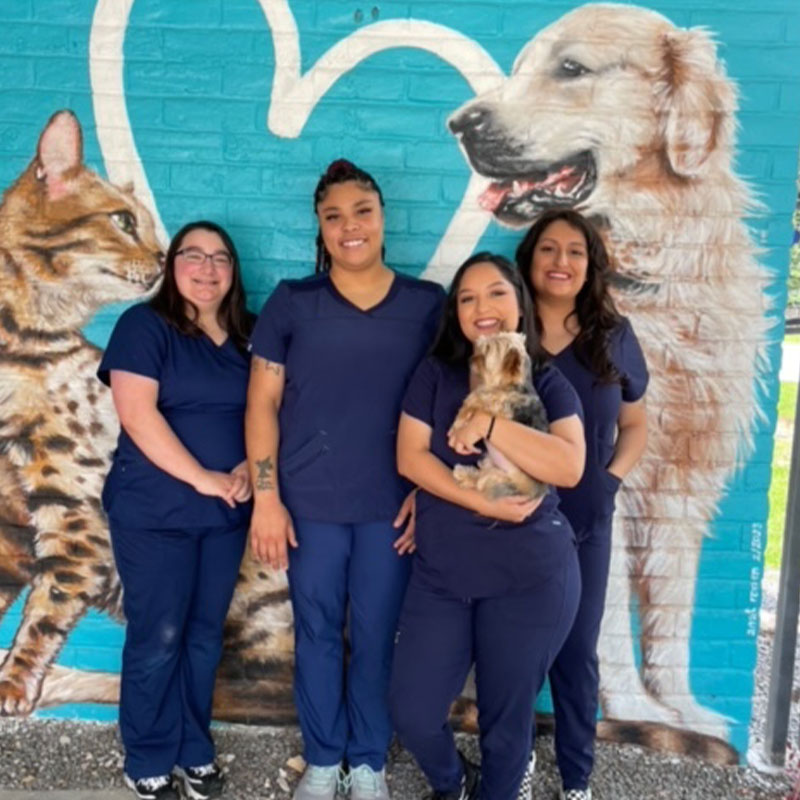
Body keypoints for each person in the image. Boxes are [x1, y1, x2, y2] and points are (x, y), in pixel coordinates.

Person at [246, 159, 445, 800]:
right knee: (318, 634)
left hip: (391, 506)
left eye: (362, 211)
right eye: (333, 216)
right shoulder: (292, 303)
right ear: (320, 228)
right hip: (310, 506)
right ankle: (324, 759)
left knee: (378, 635)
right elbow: (261, 406)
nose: (348, 226)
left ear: (383, 219)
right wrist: (267, 499)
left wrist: (428, 489)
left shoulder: (426, 306)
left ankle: (368, 763)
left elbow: (447, 403)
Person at [388, 252, 585, 800]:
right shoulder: (436, 374)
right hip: (443, 577)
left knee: (507, 725)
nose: (483, 308)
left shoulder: (548, 382)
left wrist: (492, 423)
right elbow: (410, 458)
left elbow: (568, 465)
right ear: (456, 313)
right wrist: (482, 501)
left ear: (519, 304)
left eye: (496, 293)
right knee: (414, 710)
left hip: (530, 578)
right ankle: (454, 785)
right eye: (467, 298)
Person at [99, 221, 253, 800]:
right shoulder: (144, 326)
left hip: (224, 515)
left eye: (220, 258)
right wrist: (205, 478)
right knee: (158, 634)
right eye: (194, 255)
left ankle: (193, 746)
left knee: (204, 636)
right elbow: (138, 416)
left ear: (233, 272)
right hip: (154, 513)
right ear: (172, 265)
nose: (207, 268)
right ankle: (147, 754)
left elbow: (267, 413)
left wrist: (245, 470)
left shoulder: (247, 336)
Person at [514, 209, 649, 800]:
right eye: (548, 249)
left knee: (575, 656)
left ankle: (576, 780)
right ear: (530, 259)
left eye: (575, 251)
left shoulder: (613, 335)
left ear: (591, 265)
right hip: (511, 522)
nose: (560, 261)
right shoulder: (506, 331)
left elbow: (636, 425)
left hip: (586, 524)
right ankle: (509, 764)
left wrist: (610, 481)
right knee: (513, 652)